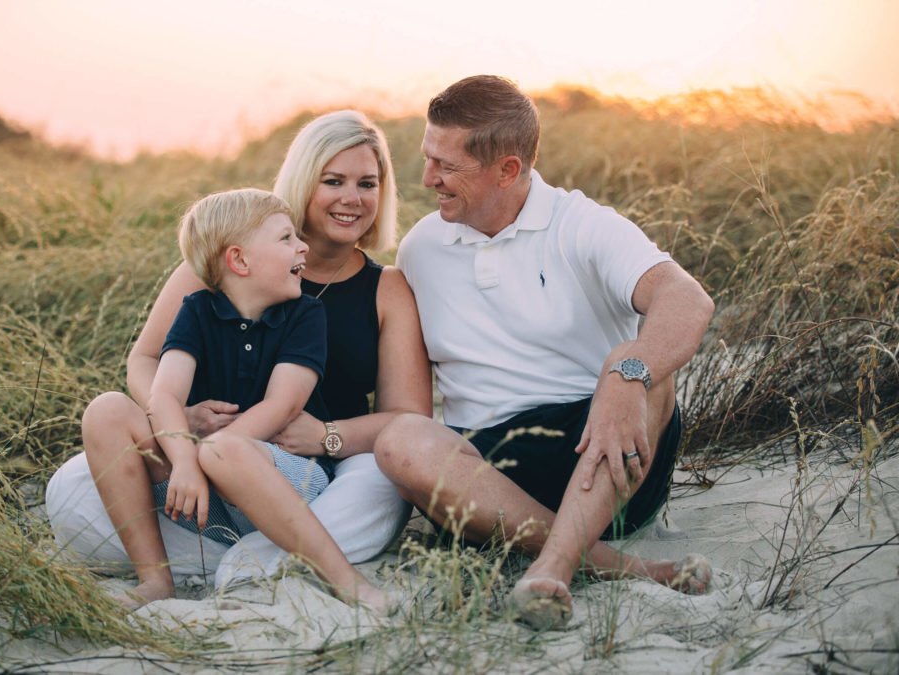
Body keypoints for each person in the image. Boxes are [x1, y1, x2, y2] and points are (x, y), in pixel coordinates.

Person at [45, 111, 431, 603]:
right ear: (303, 182)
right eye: (333, 181)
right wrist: (178, 425)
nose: (352, 198)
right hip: (194, 456)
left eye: (368, 183)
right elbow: (146, 363)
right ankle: (226, 561)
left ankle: (250, 556)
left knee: (379, 482)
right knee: (76, 480)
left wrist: (326, 436)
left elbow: (408, 420)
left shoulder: (385, 288)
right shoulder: (217, 267)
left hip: (309, 465)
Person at [373, 76, 716, 630]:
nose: (427, 179)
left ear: (507, 170)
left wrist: (629, 372)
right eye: (427, 158)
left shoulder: (581, 225)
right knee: (400, 440)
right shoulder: (421, 249)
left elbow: (686, 298)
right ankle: (623, 567)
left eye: (446, 166)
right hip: (486, 482)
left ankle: (554, 566)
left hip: (604, 455)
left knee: (639, 365)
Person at [113, 187, 394, 610]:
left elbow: (283, 404)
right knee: (107, 410)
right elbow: (164, 393)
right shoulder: (196, 310)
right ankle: (155, 579)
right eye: (286, 239)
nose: (303, 247)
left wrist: (208, 455)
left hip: (291, 479)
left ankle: (347, 580)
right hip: (208, 493)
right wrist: (187, 462)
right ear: (239, 260)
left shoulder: (305, 315)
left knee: (226, 449)